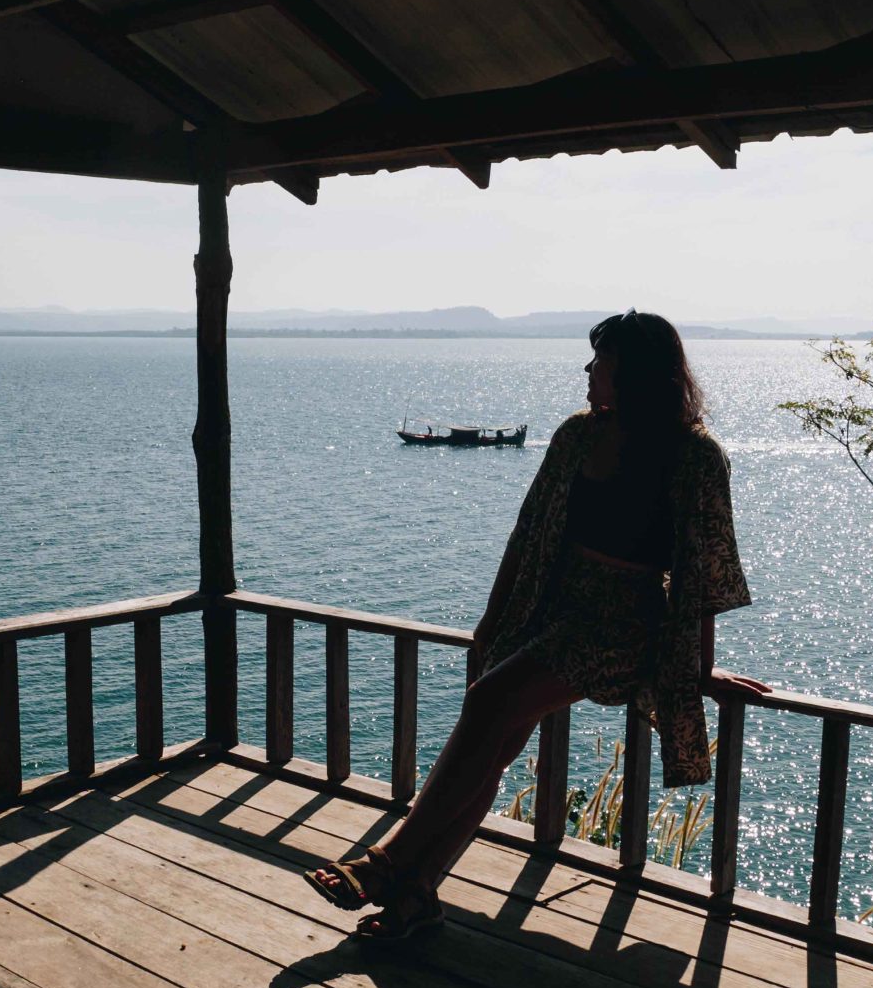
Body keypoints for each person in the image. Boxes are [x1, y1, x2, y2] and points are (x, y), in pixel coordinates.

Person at [304, 309, 768, 939]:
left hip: (625, 624)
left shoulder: (695, 456)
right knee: (493, 746)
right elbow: (527, 535)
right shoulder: (577, 436)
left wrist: (701, 670)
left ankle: (387, 863)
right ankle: (415, 898)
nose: (587, 371)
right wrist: (491, 622)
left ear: (630, 373)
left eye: (598, 362)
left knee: (490, 700)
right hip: (549, 610)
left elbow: (708, 572)